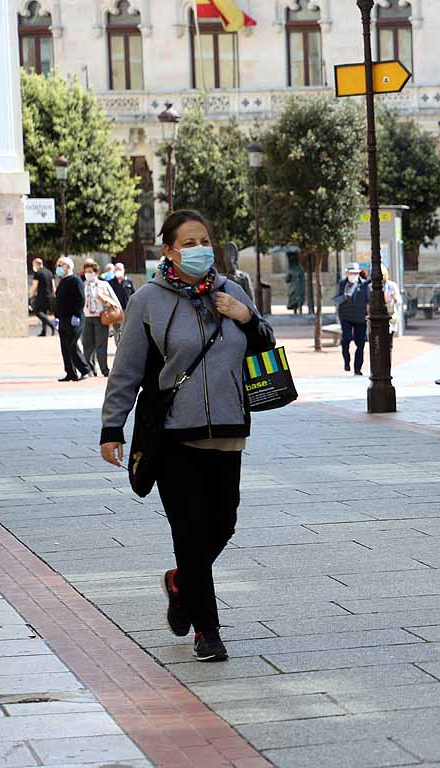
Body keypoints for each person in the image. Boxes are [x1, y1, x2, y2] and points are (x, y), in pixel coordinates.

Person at [100, 209, 274, 663]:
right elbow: (127, 370)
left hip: (229, 434)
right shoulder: (148, 301)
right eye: (190, 241)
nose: (200, 248)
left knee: (224, 524)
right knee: (191, 532)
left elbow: (265, 343)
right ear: (170, 251)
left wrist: (246, 317)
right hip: (175, 436)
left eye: (205, 239)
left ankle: (180, 583)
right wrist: (111, 426)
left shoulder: (231, 290)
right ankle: (208, 631)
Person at [80, 260, 121, 378]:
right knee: (87, 344)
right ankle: (89, 368)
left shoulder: (103, 285)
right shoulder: (83, 284)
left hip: (101, 317)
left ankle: (104, 368)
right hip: (87, 317)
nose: (88, 274)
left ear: (96, 272)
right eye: (86, 271)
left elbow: (114, 300)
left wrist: (106, 301)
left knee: (101, 344)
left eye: (90, 271)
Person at [53, 257, 91, 381]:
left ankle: (85, 370)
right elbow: (58, 301)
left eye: (61, 265)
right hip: (63, 319)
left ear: (68, 267)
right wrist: (56, 317)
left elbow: (80, 299)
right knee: (64, 346)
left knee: (72, 345)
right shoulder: (62, 281)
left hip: (74, 318)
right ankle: (70, 372)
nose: (58, 267)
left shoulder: (75, 280)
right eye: (58, 265)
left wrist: (76, 314)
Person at [335, 263, 370, 375]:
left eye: (355, 273)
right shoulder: (341, 284)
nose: (353, 275)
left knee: (360, 343)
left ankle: (357, 368)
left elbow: (369, 301)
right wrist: (344, 297)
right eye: (351, 273)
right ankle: (347, 361)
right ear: (347, 273)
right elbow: (335, 299)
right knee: (346, 338)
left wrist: (369, 313)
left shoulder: (364, 285)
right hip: (346, 317)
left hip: (360, 318)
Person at [105, 261, 132, 345]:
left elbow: (133, 294)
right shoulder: (110, 283)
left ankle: (126, 348)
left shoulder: (129, 282)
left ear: (123, 270)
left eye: (120, 269)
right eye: (116, 269)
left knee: (126, 330)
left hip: (127, 309)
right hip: (115, 310)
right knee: (117, 331)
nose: (118, 271)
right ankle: (118, 348)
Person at [29, 258, 56, 337]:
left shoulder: (38, 273)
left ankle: (51, 325)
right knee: (44, 312)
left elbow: (35, 286)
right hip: (49, 296)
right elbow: (53, 286)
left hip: (41, 296)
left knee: (37, 311)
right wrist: (54, 295)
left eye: (33, 265)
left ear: (36, 264)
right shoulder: (50, 272)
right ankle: (44, 331)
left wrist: (31, 296)